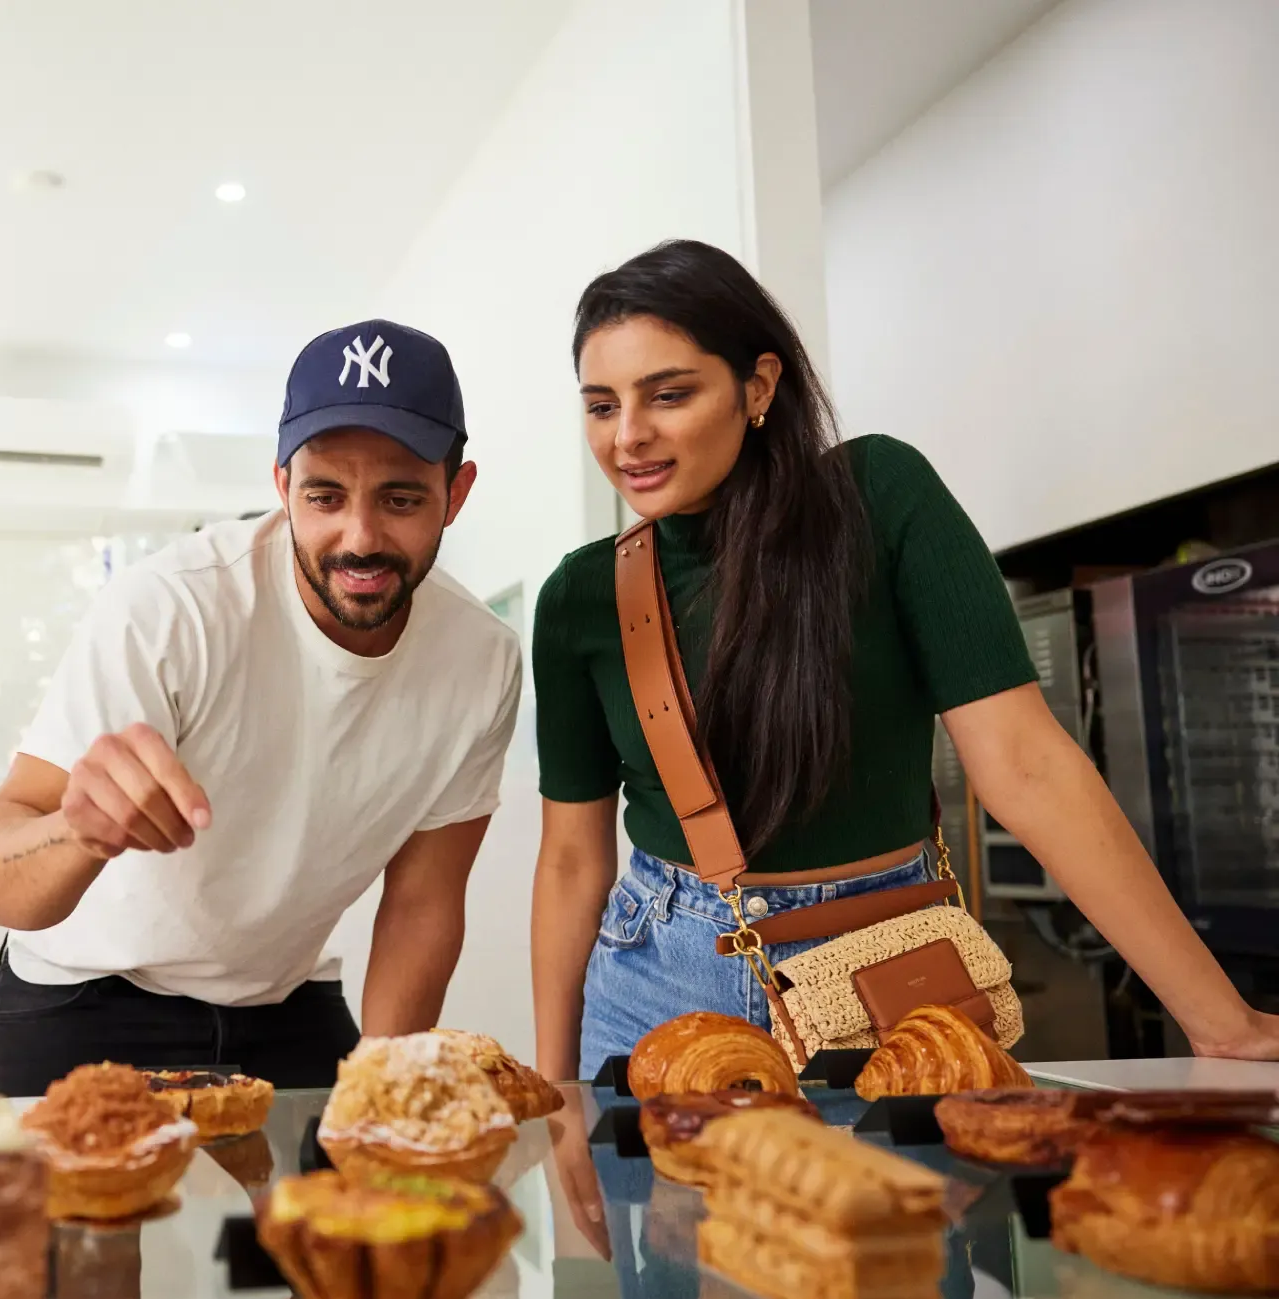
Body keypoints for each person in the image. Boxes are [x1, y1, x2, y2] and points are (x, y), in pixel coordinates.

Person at [529, 238, 1279, 1084]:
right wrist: (555, 1094)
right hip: (656, 978)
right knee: (665, 1221)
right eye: (601, 406)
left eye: (669, 394)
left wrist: (1224, 1025)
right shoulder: (579, 599)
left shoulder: (882, 497)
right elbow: (569, 860)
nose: (629, 437)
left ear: (760, 386)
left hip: (893, 973)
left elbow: (1027, 765)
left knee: (916, 1214)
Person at [0, 319, 522, 1096]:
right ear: (281, 485)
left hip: (286, 1002)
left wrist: (380, 1098)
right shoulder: (172, 608)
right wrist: (79, 832)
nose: (359, 537)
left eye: (401, 498)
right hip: (85, 1000)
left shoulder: (483, 659)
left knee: (341, 1210)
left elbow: (423, 905)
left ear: (455, 495)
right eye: (324, 495)